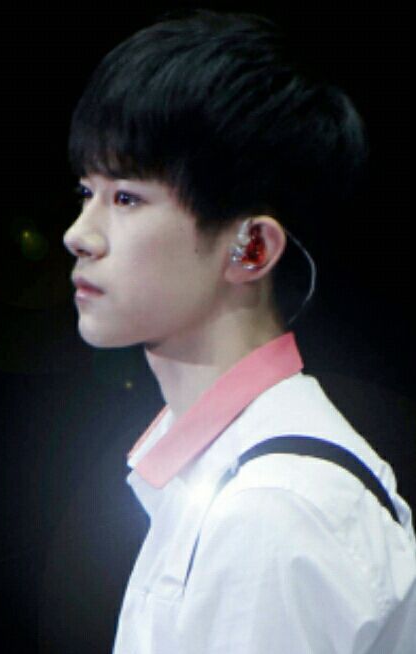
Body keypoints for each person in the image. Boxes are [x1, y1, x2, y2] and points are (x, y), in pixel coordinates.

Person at [62, 8, 416, 654]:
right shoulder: (237, 478)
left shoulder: (273, 508)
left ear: (251, 248)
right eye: (87, 192)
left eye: (126, 198)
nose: (79, 235)